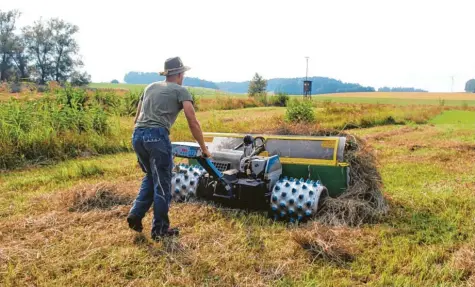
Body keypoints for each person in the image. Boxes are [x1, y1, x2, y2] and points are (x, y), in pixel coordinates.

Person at [126, 56, 211, 241]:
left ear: (167, 73)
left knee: (150, 175)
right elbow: (192, 120)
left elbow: (137, 116)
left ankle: (136, 214)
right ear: (180, 74)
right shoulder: (181, 90)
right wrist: (204, 148)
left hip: (137, 135)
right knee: (162, 183)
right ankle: (160, 230)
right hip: (157, 137)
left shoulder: (149, 87)